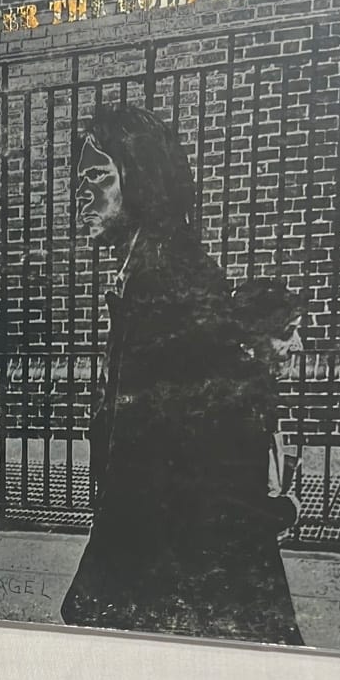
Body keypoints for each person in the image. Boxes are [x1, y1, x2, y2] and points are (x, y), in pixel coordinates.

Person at [59, 104, 302, 645]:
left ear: (143, 180)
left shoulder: (171, 284)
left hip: (179, 576)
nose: (81, 194)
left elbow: (187, 455)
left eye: (98, 176)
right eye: (80, 180)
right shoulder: (146, 276)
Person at [231, 277, 305, 535]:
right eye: (287, 333)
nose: (298, 345)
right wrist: (285, 511)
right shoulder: (238, 402)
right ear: (251, 340)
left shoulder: (259, 390)